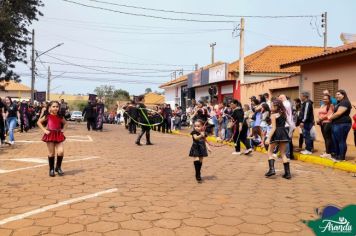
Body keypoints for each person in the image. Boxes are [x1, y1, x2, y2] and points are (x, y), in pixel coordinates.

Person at [37, 101, 67, 177]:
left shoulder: (60, 116)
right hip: (50, 135)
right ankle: (51, 169)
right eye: (53, 106)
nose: (55, 108)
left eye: (57, 106)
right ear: (49, 108)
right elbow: (39, 122)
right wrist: (44, 130)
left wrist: (63, 129)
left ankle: (58, 167)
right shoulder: (47, 116)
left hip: (58, 134)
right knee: (51, 153)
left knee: (61, 151)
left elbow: (65, 123)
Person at [265, 99, 291, 179]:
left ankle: (272, 170)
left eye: (272, 106)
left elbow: (273, 128)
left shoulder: (273, 115)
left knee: (270, 152)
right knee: (283, 153)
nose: (270, 107)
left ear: (276, 107)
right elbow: (288, 124)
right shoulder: (283, 114)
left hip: (276, 133)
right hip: (283, 133)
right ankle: (287, 173)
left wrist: (268, 138)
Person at [329, 90, 352, 161]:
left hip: (342, 124)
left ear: (343, 95)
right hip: (336, 124)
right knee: (335, 140)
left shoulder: (345, 102)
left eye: (338, 94)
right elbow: (335, 112)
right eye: (336, 95)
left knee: (341, 140)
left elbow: (339, 113)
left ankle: (342, 157)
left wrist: (330, 118)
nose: (336, 96)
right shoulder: (339, 103)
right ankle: (337, 155)